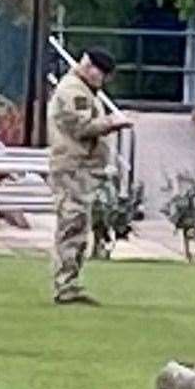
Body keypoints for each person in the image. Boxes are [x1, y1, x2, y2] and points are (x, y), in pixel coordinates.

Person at [48, 48, 130, 305]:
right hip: (73, 167)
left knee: (78, 224)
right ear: (90, 68)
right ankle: (65, 284)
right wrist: (111, 123)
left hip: (81, 168)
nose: (102, 80)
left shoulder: (83, 90)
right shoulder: (73, 91)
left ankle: (69, 282)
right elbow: (81, 127)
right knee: (72, 223)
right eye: (102, 74)